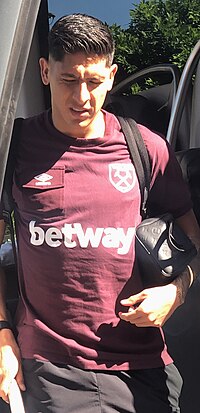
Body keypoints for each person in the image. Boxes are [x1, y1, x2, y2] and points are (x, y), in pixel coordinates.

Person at [0, 13, 199, 413]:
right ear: (44, 71)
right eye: (68, 80)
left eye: (93, 81)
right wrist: (3, 337)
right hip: (52, 365)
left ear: (111, 76)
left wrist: (174, 293)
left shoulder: (146, 148)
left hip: (143, 366)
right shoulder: (14, 148)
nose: (82, 97)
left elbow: (193, 237)